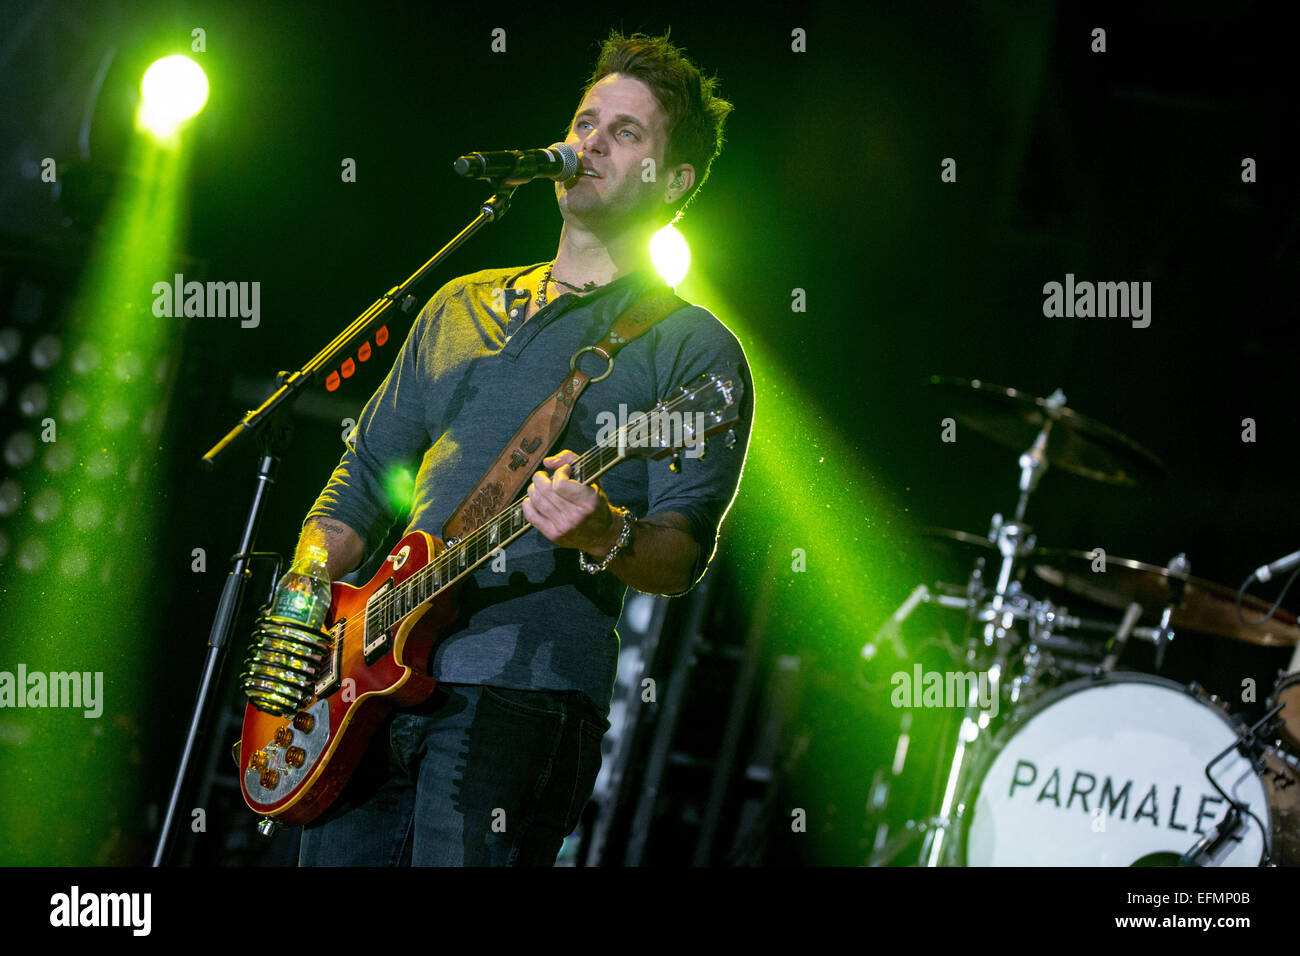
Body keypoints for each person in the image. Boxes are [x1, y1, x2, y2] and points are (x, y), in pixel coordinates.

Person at [293, 30, 753, 866]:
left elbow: (681, 554)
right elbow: (359, 480)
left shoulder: (694, 351)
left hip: (518, 698)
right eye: (585, 122)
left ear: (676, 180)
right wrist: (307, 593)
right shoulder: (457, 301)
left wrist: (603, 532)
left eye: (625, 133)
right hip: (363, 687)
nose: (589, 145)